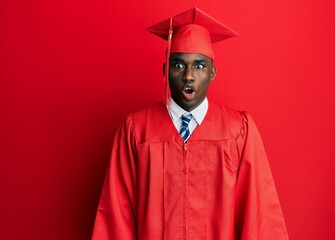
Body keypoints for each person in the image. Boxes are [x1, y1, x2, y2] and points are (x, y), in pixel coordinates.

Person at [92, 7, 289, 240]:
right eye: (178, 65)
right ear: (165, 71)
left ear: (213, 72)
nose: (188, 75)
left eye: (199, 65)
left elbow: (258, 213)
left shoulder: (237, 131)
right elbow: (117, 215)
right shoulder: (138, 130)